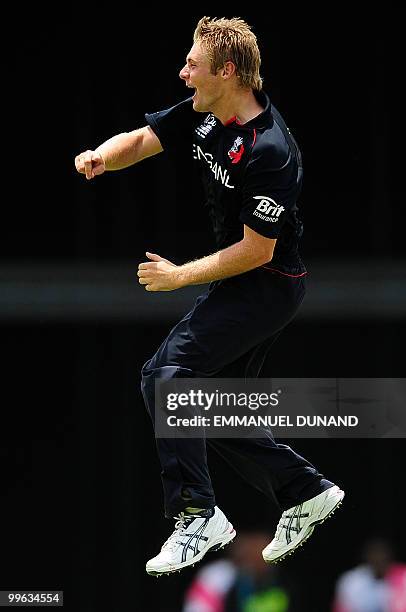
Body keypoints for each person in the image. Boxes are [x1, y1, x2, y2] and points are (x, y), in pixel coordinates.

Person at [75, 16, 344, 577]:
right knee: (204, 408)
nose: (182, 72)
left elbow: (257, 252)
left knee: (165, 377)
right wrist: (104, 153)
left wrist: (178, 277)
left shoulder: (271, 149)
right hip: (248, 283)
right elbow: (144, 141)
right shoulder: (205, 115)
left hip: (268, 285)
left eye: (192, 64)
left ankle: (197, 514)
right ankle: (306, 490)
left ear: (227, 72)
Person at [332, 538, 406, 612]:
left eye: (383, 556)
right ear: (367, 557)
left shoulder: (403, 577)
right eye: (375, 555)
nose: (379, 560)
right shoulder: (351, 581)